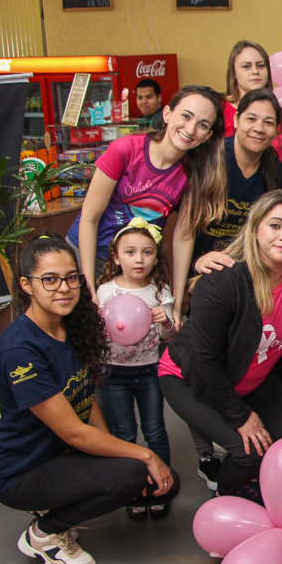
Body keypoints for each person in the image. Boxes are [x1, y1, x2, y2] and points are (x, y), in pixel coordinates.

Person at [0, 234, 178, 564]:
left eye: (71, 277)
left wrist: (116, 457)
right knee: (137, 472)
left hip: (61, 457)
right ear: (26, 285)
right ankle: (46, 532)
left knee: (164, 484)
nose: (63, 288)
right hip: (21, 471)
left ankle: (64, 501)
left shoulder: (72, 328)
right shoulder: (20, 349)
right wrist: (143, 455)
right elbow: (75, 433)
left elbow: (86, 403)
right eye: (49, 279)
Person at [159, 190, 282, 497]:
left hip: (248, 376)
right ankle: (224, 494)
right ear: (256, 229)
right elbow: (203, 360)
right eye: (275, 225)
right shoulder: (224, 281)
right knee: (250, 452)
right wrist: (240, 416)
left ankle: (251, 480)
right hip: (190, 376)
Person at [166, 88, 282, 488]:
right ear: (238, 118)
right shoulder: (211, 158)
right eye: (252, 118)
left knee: (229, 358)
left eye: (269, 122)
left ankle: (223, 437)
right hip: (206, 277)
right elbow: (185, 230)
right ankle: (205, 453)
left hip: (245, 281)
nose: (260, 128)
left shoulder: (274, 170)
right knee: (200, 361)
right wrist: (184, 286)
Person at [68, 84, 226, 299]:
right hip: (89, 254)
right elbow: (89, 219)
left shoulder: (194, 172)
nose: (190, 129)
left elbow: (183, 237)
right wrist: (88, 286)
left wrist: (178, 302)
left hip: (137, 263)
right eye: (186, 116)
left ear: (207, 135)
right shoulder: (125, 149)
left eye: (202, 125)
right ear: (168, 113)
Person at [95, 220, 175, 519]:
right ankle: (131, 488)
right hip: (114, 373)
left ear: (156, 257)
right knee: (124, 433)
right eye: (130, 252)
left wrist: (165, 321)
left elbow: (169, 336)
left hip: (149, 372)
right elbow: (97, 332)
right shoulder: (105, 292)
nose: (139, 259)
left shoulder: (159, 291)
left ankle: (160, 487)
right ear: (116, 257)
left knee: (155, 431)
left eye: (147, 252)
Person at [223, 40, 271, 136]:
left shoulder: (276, 111)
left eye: (261, 65)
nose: (255, 71)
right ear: (234, 73)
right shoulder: (220, 108)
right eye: (246, 66)